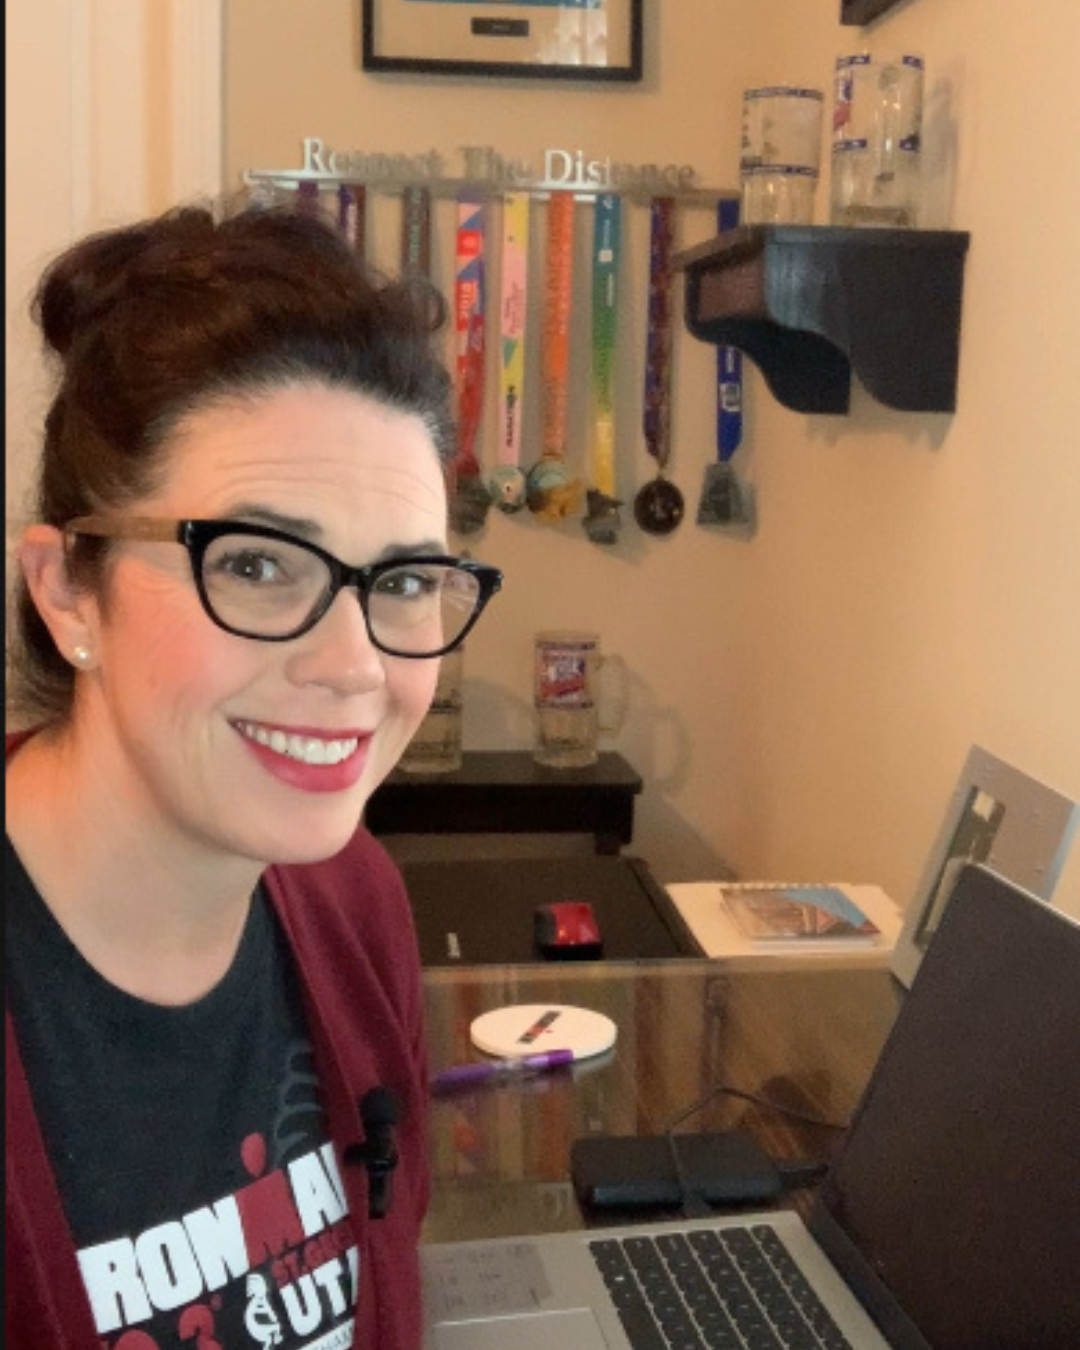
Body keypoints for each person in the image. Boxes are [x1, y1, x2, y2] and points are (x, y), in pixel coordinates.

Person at [5, 202, 503, 1350]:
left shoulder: (351, 899)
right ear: (68, 591)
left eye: (408, 580)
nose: (355, 666)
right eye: (259, 564)